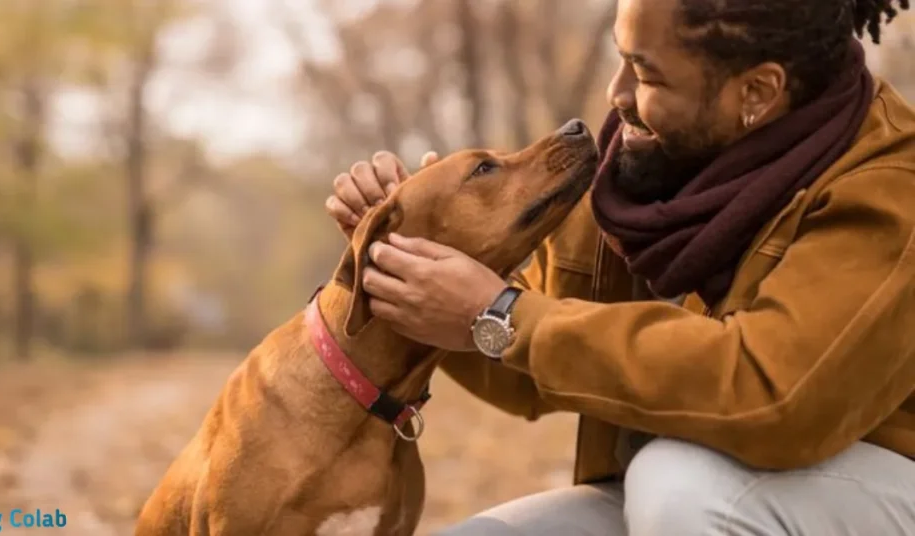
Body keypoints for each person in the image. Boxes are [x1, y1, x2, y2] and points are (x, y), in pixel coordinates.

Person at [325, 0, 915, 534]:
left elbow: (773, 395)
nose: (616, 92)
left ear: (756, 92)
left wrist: (499, 312)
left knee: (683, 486)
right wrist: (422, 266)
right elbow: (530, 358)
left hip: (860, 486)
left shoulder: (888, 188)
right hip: (673, 493)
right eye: (621, 58)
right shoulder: (637, 169)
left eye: (647, 73)